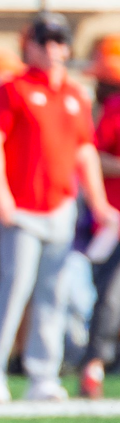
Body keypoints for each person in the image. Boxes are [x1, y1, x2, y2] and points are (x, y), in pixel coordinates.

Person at [0, 13, 120, 402]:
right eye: (46, 41)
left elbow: (85, 152)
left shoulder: (74, 94)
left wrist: (99, 202)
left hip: (61, 205)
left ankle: (43, 374)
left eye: (60, 41)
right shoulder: (13, 89)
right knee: (12, 290)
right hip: (22, 207)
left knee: (52, 294)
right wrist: (1, 193)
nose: (54, 49)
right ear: (32, 46)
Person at [80, 65, 120, 399]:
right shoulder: (114, 110)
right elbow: (93, 156)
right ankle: (94, 365)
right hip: (115, 219)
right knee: (110, 297)